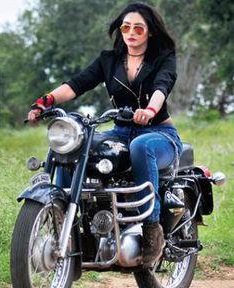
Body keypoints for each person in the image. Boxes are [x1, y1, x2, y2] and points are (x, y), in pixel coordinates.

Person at [28, 2, 183, 267]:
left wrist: (149, 109)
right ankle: (71, 227)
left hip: (159, 133)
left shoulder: (163, 58)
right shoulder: (108, 60)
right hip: (121, 131)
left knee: (141, 146)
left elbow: (162, 86)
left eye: (138, 28)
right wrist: (46, 101)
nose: (131, 32)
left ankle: (152, 229)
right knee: (75, 147)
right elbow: (77, 84)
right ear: (120, 30)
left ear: (150, 33)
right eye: (126, 27)